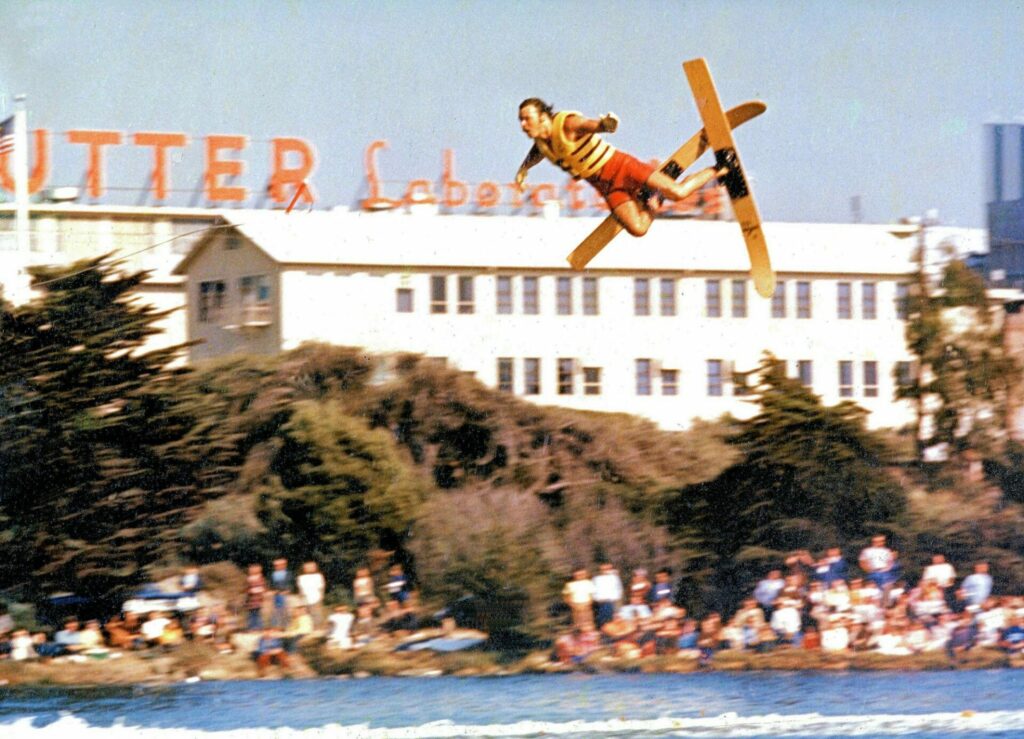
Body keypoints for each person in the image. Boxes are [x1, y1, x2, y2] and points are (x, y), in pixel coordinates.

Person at [515, 98, 720, 237]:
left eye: (527, 119)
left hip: (622, 168)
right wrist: (524, 169)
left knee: (678, 192)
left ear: (542, 118)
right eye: (521, 120)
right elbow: (537, 152)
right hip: (606, 186)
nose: (523, 124)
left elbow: (592, 125)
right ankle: (654, 198)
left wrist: (606, 124)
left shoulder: (568, 124)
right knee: (638, 229)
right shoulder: (542, 142)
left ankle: (719, 169)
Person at [592, 562, 624, 628]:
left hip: (614, 601)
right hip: (602, 602)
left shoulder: (615, 577)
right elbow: (594, 591)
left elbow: (619, 589)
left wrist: (617, 600)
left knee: (615, 619)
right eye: (604, 569)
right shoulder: (596, 579)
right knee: (604, 622)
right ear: (600, 569)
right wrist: (597, 599)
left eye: (608, 568)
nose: (606, 570)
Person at [296, 561, 327, 626]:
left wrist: (321, 595)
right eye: (307, 567)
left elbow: (321, 587)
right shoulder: (301, 577)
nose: (310, 569)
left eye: (311, 567)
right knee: (307, 614)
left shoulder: (318, 576)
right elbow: (300, 588)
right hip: (305, 598)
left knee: (317, 613)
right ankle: (308, 627)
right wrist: (300, 597)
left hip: (316, 597)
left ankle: (317, 626)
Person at [269, 558, 293, 629]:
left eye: (280, 565)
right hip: (276, 595)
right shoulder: (273, 574)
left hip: (285, 594)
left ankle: (287, 625)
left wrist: (288, 590)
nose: (278, 567)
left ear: (284, 565)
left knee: (286, 610)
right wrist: (273, 590)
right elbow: (271, 584)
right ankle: (276, 626)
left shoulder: (289, 573)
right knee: (276, 611)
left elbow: (291, 583)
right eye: (277, 565)